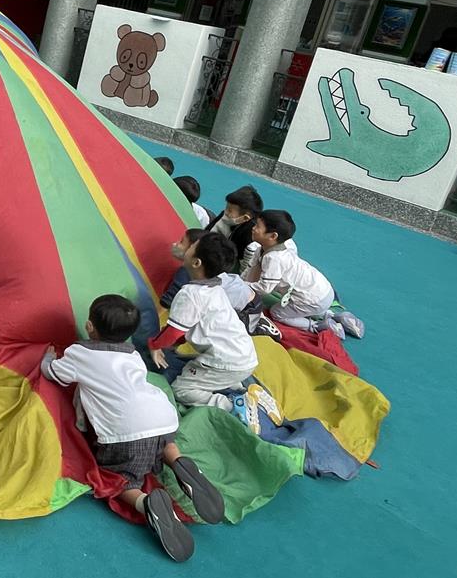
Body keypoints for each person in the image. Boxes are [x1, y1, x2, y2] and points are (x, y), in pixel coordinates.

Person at [41, 295, 225, 562]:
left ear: (89, 326)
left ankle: (144, 502)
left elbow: (55, 374)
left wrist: (48, 359)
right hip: (162, 418)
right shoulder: (133, 355)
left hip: (125, 434)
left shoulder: (80, 353)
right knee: (163, 442)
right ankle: (180, 463)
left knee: (119, 480)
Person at [148, 233, 258, 412]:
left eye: (191, 246)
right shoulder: (216, 288)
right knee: (199, 367)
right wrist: (175, 344)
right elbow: (188, 325)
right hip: (245, 357)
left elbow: (174, 330)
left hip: (227, 361)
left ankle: (233, 406)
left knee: (181, 389)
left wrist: (154, 345)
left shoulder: (190, 294)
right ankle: (239, 389)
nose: (187, 246)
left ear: (196, 262)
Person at [248, 210, 364, 339]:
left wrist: (242, 285)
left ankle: (316, 326)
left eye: (258, 226)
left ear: (273, 236)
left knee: (277, 313)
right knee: (306, 304)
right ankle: (331, 315)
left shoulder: (273, 259)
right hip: (324, 291)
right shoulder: (280, 248)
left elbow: (265, 288)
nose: (253, 228)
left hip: (314, 300)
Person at [160, 229, 281, 342]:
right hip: (245, 295)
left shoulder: (186, 272)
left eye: (182, 243)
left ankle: (259, 326)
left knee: (237, 330)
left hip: (247, 307)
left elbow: (167, 301)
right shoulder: (207, 268)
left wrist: (156, 318)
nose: (175, 244)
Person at [205, 185, 263, 264]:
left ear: (245, 218)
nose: (225, 212)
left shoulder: (249, 234)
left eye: (229, 210)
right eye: (226, 207)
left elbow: (240, 259)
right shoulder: (225, 215)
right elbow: (207, 231)